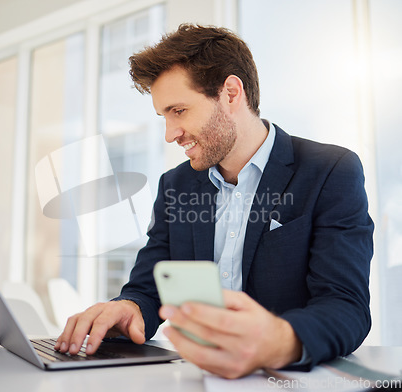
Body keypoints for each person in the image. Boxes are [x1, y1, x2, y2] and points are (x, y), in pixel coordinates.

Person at [55, 24, 374, 379]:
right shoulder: (175, 184)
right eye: (164, 117)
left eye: (179, 111)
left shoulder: (329, 171)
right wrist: (130, 308)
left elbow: (347, 306)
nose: (169, 134)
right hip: (195, 378)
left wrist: (279, 341)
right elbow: (149, 286)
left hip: (287, 381)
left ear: (231, 94)